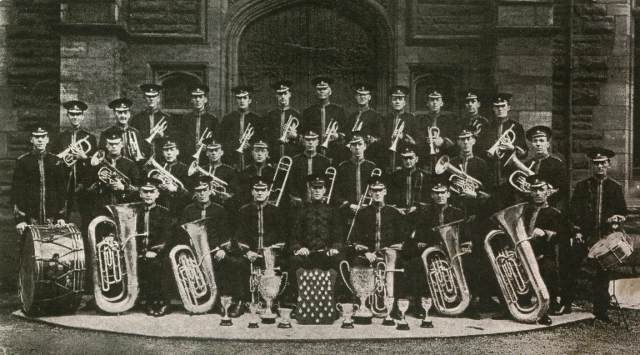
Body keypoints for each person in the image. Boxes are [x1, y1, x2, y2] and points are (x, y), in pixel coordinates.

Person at [568, 147, 627, 322]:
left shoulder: (615, 187)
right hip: (584, 236)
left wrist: (618, 219)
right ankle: (565, 303)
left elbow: (622, 211)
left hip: (605, 238)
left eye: (603, 163)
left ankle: (601, 311)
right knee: (571, 268)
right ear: (592, 166)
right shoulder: (582, 186)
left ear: (608, 165)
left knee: (603, 274)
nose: (599, 166)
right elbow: (572, 213)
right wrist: (577, 231)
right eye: (596, 164)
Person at [404, 178, 465, 317]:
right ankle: (421, 305)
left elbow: (465, 234)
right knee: (416, 264)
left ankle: (468, 304)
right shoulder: (424, 213)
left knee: (470, 264)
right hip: (432, 251)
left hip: (453, 252)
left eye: (443, 192)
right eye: (436, 193)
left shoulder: (458, 212)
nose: (440, 196)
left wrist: (466, 244)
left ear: (448, 194)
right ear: (432, 195)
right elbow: (417, 234)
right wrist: (420, 242)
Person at [349, 175, 408, 313]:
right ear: (369, 193)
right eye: (374, 190)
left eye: (380, 190)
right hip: (368, 253)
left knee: (403, 266)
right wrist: (366, 252)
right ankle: (362, 305)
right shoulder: (362, 213)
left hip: (389, 254)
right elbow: (355, 237)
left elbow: (402, 237)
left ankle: (395, 307)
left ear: (385, 192)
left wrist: (391, 249)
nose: (377, 193)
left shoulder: (394, 213)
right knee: (357, 261)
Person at [233, 177, 289, 316]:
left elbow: (283, 235)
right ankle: (242, 300)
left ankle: (276, 301)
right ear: (252, 192)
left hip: (271, 253)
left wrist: (272, 250)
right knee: (239, 264)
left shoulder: (276, 211)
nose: (259, 193)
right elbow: (239, 235)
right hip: (252, 252)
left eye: (263, 190)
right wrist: (247, 252)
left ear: (268, 192)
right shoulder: (244, 211)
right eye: (256, 190)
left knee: (285, 265)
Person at [288, 174, 343, 303]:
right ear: (310, 189)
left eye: (320, 188)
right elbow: (293, 236)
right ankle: (297, 301)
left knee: (338, 260)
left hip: (326, 253)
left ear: (325, 190)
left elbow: (339, 236)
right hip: (307, 254)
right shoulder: (301, 210)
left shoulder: (333, 211)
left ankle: (333, 301)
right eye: (314, 188)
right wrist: (299, 248)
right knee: (294, 261)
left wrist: (335, 248)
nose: (317, 190)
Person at [521, 174, 569, 324]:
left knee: (548, 270)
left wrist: (546, 232)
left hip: (544, 254)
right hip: (524, 255)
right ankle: (518, 305)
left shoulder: (555, 213)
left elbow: (563, 235)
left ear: (548, 192)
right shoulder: (523, 211)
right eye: (534, 190)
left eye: (541, 189)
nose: (537, 193)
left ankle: (545, 309)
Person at [12, 123, 68, 234]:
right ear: (31, 140)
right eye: (37, 137)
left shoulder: (56, 161)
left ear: (47, 139)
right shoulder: (23, 161)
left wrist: (61, 216)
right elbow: (17, 191)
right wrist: (21, 220)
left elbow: (62, 190)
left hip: (53, 220)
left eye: (43, 137)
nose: (40, 140)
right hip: (30, 219)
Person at [52, 100, 98, 231]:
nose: (75, 117)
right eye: (72, 114)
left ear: (82, 116)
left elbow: (95, 164)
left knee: (86, 217)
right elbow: (54, 160)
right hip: (65, 182)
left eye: (78, 114)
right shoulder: (61, 137)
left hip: (83, 183)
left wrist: (83, 157)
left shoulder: (90, 138)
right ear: (67, 115)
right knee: (62, 216)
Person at [136, 177, 174, 316]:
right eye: (145, 192)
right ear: (140, 194)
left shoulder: (164, 212)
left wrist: (154, 250)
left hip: (157, 252)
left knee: (157, 266)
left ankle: (163, 302)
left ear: (157, 194)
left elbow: (167, 235)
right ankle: (147, 302)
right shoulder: (133, 211)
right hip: (136, 251)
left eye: (151, 192)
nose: (148, 195)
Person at [475, 93, 527, 193]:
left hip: (509, 175)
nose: (500, 109)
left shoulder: (516, 127)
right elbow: (478, 151)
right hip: (490, 175)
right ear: (493, 109)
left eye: (503, 106)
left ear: (508, 107)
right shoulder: (486, 127)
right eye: (497, 106)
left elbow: (524, 153)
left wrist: (512, 147)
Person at [89, 127, 141, 211]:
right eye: (111, 144)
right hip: (103, 204)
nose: (114, 146)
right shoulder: (99, 164)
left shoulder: (130, 164)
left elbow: (138, 189)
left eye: (116, 144)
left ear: (122, 145)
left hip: (124, 204)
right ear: (106, 145)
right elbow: (91, 186)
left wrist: (124, 187)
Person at [301, 76, 348, 163]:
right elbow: (303, 134)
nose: (322, 91)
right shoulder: (308, 111)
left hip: (334, 153)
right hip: (314, 155)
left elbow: (345, 133)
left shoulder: (339, 110)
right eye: (319, 89)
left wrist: (337, 136)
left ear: (330, 91)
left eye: (324, 88)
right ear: (316, 92)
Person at [522, 126, 568, 210]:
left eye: (541, 140)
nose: (538, 144)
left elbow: (563, 190)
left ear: (548, 144)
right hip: (529, 209)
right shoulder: (526, 164)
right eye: (535, 141)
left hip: (550, 208)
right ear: (531, 145)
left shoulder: (557, 164)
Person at [217, 85, 261, 170]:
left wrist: (251, 146)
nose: (242, 101)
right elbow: (222, 140)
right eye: (239, 98)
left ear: (250, 100)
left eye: (245, 98)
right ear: (236, 100)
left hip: (251, 162)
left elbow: (261, 139)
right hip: (232, 161)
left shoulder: (257, 119)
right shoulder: (228, 118)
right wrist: (235, 145)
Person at [414, 89, 460, 171]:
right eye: (432, 100)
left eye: (437, 100)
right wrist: (426, 140)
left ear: (442, 103)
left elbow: (454, 140)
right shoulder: (421, 120)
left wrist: (443, 141)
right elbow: (417, 137)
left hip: (444, 156)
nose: (435, 102)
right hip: (426, 157)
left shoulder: (449, 120)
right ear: (427, 103)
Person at [146, 136, 191, 218]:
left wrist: (175, 189)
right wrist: (158, 186)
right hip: (160, 207)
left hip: (177, 208)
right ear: (163, 152)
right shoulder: (158, 167)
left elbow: (189, 194)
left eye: (172, 150)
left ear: (177, 152)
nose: (169, 153)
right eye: (166, 150)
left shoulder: (185, 169)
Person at [173, 84, 218, 163]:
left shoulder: (212, 119)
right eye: (195, 97)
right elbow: (181, 140)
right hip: (188, 158)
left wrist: (208, 146)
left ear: (205, 99)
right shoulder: (186, 118)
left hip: (206, 159)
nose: (198, 100)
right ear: (191, 100)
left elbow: (217, 140)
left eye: (200, 97)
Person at [335, 134, 377, 212]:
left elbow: (377, 190)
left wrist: (369, 205)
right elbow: (337, 192)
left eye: (360, 144)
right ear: (350, 147)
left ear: (365, 146)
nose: (357, 147)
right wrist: (349, 205)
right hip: (348, 209)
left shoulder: (372, 167)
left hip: (368, 209)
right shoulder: (342, 167)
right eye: (354, 145)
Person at [100, 98, 151, 163]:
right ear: (114, 113)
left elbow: (141, 155)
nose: (123, 116)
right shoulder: (106, 133)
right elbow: (102, 156)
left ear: (129, 114)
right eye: (119, 113)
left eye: (125, 112)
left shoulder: (135, 132)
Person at [288, 130, 331, 204]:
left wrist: (324, 196)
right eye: (307, 140)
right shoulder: (295, 160)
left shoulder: (325, 161)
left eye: (313, 140)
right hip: (299, 201)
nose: (310, 142)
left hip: (319, 202)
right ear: (304, 142)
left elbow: (328, 183)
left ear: (317, 142)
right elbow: (291, 182)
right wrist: (295, 197)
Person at [263, 80, 301, 162]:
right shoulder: (269, 115)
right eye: (280, 94)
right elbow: (265, 138)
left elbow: (304, 140)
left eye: (285, 93)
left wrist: (295, 136)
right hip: (273, 159)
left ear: (290, 95)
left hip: (292, 158)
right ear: (276, 95)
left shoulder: (297, 114)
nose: (283, 97)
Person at [345, 83, 383, 165]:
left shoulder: (376, 116)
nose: (362, 97)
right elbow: (347, 135)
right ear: (356, 97)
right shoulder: (352, 116)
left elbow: (380, 137)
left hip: (369, 154)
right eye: (359, 95)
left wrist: (372, 139)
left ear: (369, 97)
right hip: (352, 155)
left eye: (365, 95)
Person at [382, 85, 417, 172]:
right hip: (387, 158)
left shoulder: (411, 118)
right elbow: (382, 138)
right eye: (395, 99)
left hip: (403, 159)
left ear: (404, 102)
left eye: (400, 99)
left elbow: (415, 140)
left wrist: (403, 137)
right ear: (391, 102)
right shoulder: (385, 118)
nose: (397, 102)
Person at [388, 144, 430, 214]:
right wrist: (396, 209)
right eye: (405, 158)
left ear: (416, 159)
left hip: (419, 213)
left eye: (411, 158)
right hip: (399, 213)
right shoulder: (394, 176)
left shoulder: (425, 176)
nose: (408, 161)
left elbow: (428, 199)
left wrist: (417, 207)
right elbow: (390, 198)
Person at [130, 83, 171, 156]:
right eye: (148, 96)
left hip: (161, 157)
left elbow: (173, 140)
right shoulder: (137, 118)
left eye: (154, 96)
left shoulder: (167, 118)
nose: (151, 99)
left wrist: (163, 136)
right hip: (144, 156)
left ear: (158, 98)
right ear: (144, 98)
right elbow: (133, 140)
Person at [239, 140, 275, 204]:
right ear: (252, 153)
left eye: (263, 151)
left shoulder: (274, 172)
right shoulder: (245, 172)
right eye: (257, 151)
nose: (259, 154)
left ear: (267, 154)